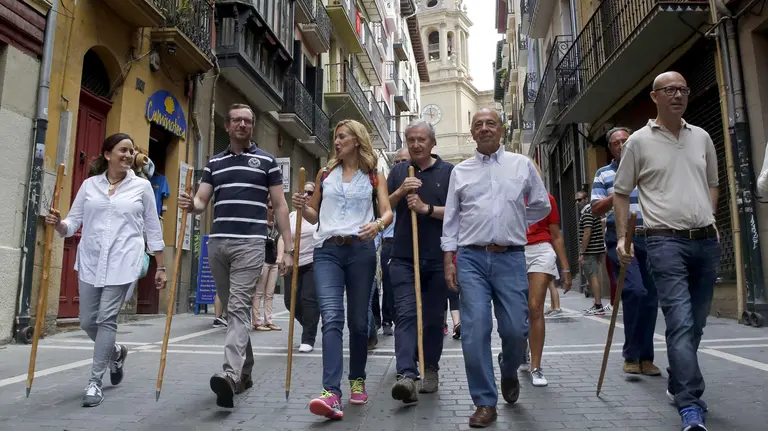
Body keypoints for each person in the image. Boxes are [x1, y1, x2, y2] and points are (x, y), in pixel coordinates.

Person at [613, 71, 719, 431]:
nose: (678, 95)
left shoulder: (702, 137)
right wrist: (623, 238)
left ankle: (679, 377)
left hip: (706, 241)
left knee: (697, 323)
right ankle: (691, 404)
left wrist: (711, 217)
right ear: (655, 96)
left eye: (683, 90)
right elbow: (621, 191)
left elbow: (713, 183)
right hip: (663, 241)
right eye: (670, 90)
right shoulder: (638, 143)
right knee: (680, 322)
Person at [178, 103, 293, 408]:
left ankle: (230, 374)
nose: (243, 124)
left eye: (248, 121)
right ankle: (247, 369)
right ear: (227, 126)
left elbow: (280, 205)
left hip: (251, 244)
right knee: (234, 311)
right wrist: (192, 205)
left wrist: (289, 248)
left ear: (252, 127)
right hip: (217, 244)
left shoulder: (266, 161)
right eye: (237, 120)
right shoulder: (214, 162)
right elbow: (203, 199)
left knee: (239, 306)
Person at [442, 109, 550, 428]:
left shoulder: (522, 165)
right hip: (471, 258)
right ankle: (485, 401)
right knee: (475, 331)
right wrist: (449, 258)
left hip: (511, 257)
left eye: (491, 124)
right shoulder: (460, 172)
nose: (485, 128)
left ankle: (508, 367)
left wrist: (514, 223)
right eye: (478, 125)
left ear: (501, 130)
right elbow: (451, 220)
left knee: (516, 329)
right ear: (472, 133)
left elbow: (541, 204)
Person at [45, 133, 166, 407]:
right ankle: (115, 352)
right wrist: (58, 224)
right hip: (91, 260)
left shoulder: (142, 187)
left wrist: (162, 266)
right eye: (122, 150)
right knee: (88, 321)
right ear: (108, 154)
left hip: (124, 261)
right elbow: (73, 222)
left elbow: (152, 227)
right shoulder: (89, 186)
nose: (127, 155)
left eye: (131, 151)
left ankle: (94, 382)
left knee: (107, 319)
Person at [291, 119, 393, 420]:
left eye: (342, 137)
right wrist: (302, 205)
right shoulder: (326, 173)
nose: (336, 142)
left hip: (360, 250)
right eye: (335, 137)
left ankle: (357, 378)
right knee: (332, 317)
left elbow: (387, 211)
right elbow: (313, 215)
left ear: (357, 140)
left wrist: (377, 225)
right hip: (327, 251)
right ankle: (331, 392)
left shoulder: (374, 175)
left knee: (359, 322)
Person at [387, 120, 454, 403]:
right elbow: (384, 207)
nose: (415, 144)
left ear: (432, 143)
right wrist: (401, 192)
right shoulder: (399, 171)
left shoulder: (449, 172)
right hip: (403, 256)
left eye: (421, 140)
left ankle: (430, 368)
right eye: (410, 139)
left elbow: (456, 213)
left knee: (433, 319)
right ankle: (406, 374)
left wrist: (425, 209)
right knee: (405, 314)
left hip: (438, 257)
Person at [591, 127, 661, 377]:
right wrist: (619, 191)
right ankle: (631, 355)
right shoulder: (603, 174)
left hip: (651, 234)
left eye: (625, 141)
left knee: (651, 297)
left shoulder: (649, 167)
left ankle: (646, 358)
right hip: (619, 236)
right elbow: (596, 208)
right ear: (610, 148)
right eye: (615, 143)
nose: (621, 145)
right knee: (635, 291)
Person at [520, 159, 572, 388]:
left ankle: (536, 366)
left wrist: (566, 268)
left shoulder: (547, 200)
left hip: (541, 251)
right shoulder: (508, 198)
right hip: (513, 251)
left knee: (534, 307)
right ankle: (519, 349)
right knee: (517, 310)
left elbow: (556, 235)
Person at [284, 181, 320, 353]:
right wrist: (282, 255)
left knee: (308, 300)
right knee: (290, 302)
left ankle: (308, 337)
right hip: (293, 263)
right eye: (303, 192)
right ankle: (308, 322)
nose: (306, 195)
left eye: (310, 193)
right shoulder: (291, 216)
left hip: (313, 262)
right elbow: (283, 237)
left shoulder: (317, 216)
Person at [380, 147, 411, 336]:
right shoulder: (388, 186)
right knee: (388, 285)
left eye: (404, 161)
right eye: (397, 162)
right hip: (389, 242)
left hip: (408, 242)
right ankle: (386, 319)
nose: (400, 165)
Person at [253, 198, 283, 331]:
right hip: (263, 261)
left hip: (274, 262)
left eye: (274, 208)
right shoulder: (260, 225)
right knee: (259, 292)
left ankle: (268, 320)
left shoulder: (276, 226)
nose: (272, 210)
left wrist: (281, 257)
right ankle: (257, 322)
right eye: (270, 207)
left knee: (269, 294)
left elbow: (280, 240)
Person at [578, 195, 607, 315]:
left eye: (579, 199)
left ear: (586, 200)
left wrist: (582, 252)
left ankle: (598, 305)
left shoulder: (587, 213)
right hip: (596, 250)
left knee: (592, 276)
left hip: (590, 251)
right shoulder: (595, 212)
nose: (577, 202)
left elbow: (587, 233)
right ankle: (597, 304)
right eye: (576, 200)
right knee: (593, 276)